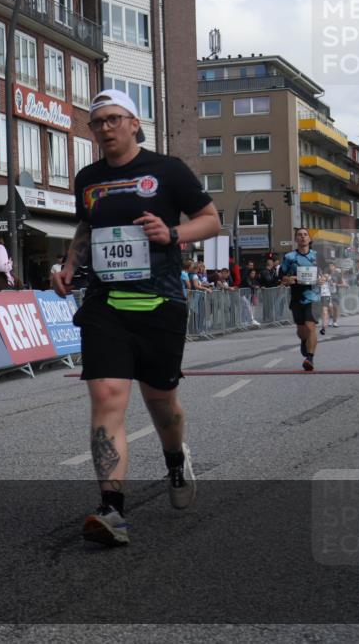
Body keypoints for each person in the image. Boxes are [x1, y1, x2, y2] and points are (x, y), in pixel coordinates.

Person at [51, 88, 221, 546]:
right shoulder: (87, 178)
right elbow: (86, 226)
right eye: (97, 122)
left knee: (161, 402)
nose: (105, 128)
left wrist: (173, 232)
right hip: (106, 305)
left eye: (112, 119)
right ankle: (112, 509)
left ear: (134, 123)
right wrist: (69, 266)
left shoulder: (167, 170)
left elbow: (211, 219)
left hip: (160, 303)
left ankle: (174, 460)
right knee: (106, 397)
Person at [278, 227, 320, 371]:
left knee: (311, 326)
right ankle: (304, 340)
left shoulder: (317, 256)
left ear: (309, 238)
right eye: (299, 235)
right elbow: (281, 276)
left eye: (305, 235)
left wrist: (324, 278)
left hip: (314, 297)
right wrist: (288, 279)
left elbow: (327, 272)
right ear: (296, 239)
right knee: (302, 330)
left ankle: (310, 358)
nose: (302, 237)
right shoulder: (289, 257)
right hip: (297, 297)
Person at [328, 262, 345, 327]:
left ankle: (335, 321)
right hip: (327, 293)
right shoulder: (326, 274)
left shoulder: (338, 274)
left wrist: (336, 284)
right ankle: (330, 318)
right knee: (329, 307)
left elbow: (343, 284)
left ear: (334, 267)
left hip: (335, 293)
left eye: (332, 266)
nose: (330, 267)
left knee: (335, 307)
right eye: (329, 266)